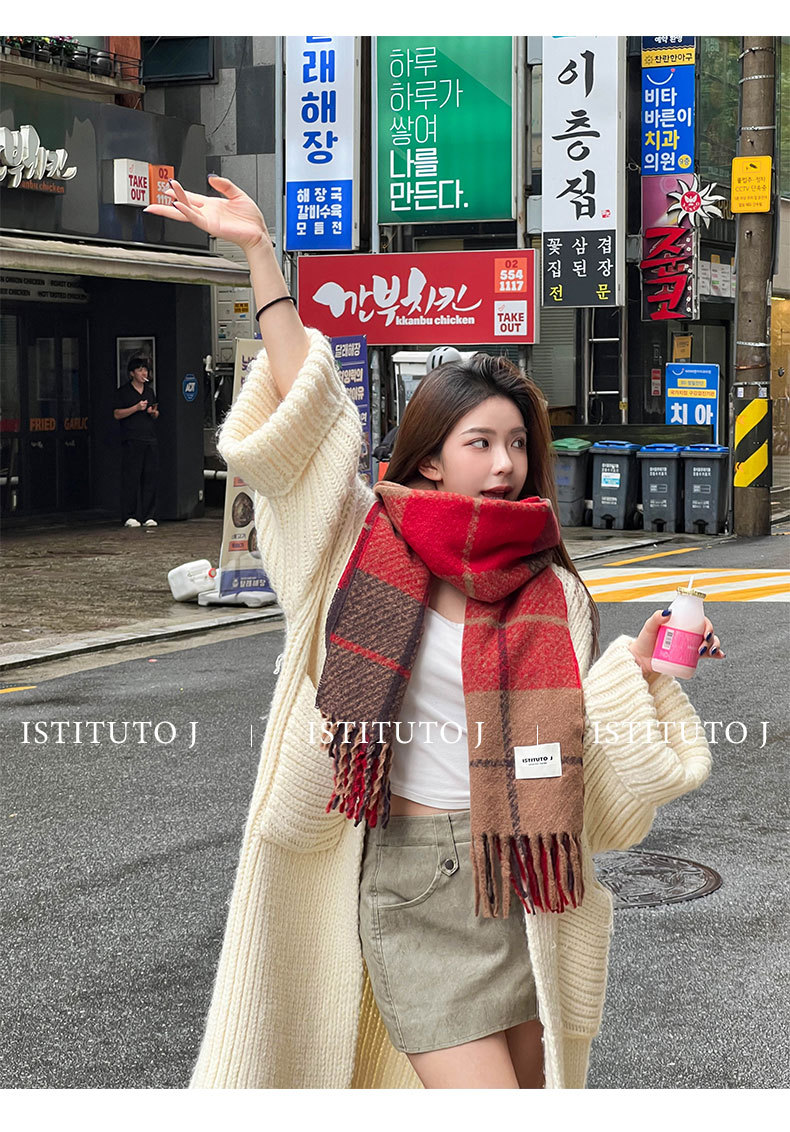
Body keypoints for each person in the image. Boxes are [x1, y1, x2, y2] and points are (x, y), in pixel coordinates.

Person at [144, 177, 724, 1090]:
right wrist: (261, 257)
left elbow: (581, 754)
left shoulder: (551, 587)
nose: (505, 463)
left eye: (517, 443)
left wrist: (642, 665)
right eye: (479, 443)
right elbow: (310, 428)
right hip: (409, 881)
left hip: (524, 881)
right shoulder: (359, 544)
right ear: (427, 461)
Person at [113, 355, 160, 527]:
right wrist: (136, 408)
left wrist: (153, 412)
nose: (144, 373)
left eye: (145, 370)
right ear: (132, 373)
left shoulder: (149, 391)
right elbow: (117, 414)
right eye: (140, 370)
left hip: (149, 438)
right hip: (132, 439)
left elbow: (156, 412)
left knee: (150, 477)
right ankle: (129, 515)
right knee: (131, 478)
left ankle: (149, 515)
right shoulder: (124, 392)